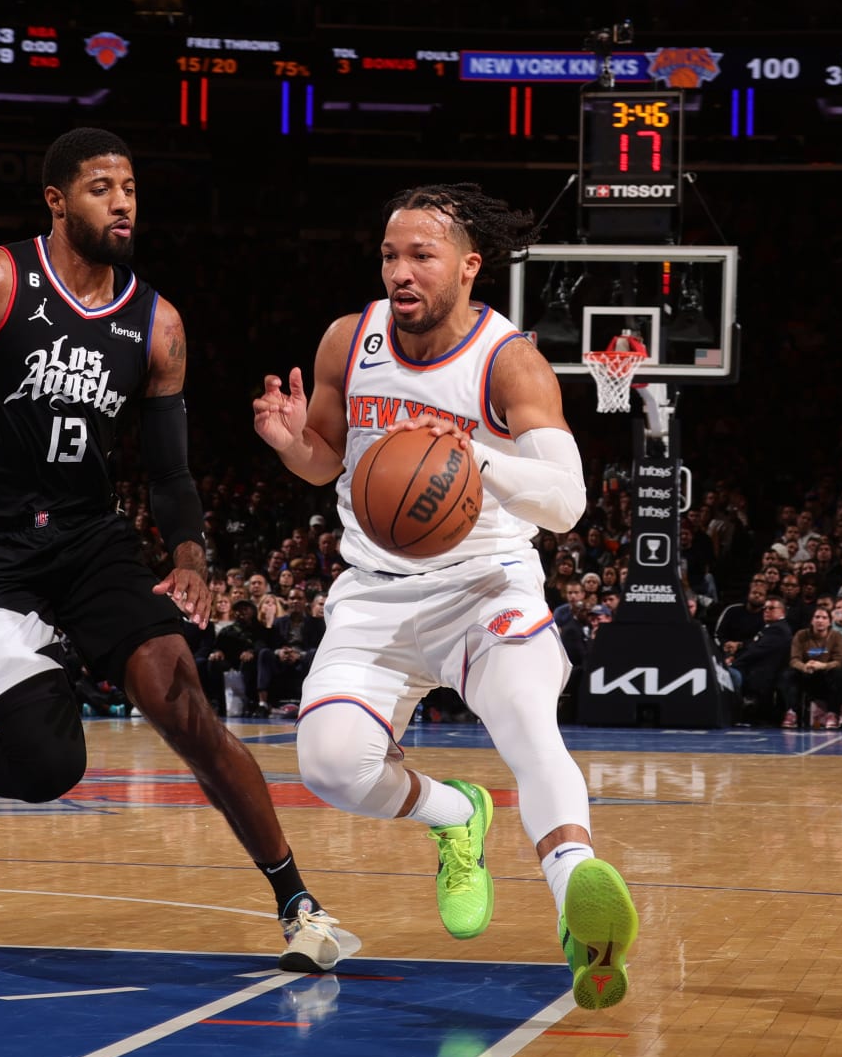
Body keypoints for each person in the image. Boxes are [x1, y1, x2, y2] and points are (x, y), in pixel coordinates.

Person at [0, 127, 352, 974]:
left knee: (183, 699)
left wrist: (191, 553)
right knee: (50, 764)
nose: (122, 201)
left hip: (88, 538)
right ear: (55, 200)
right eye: (100, 186)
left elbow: (168, 471)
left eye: (130, 185)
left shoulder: (159, 326)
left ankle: (297, 903)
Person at [252, 181, 638, 1009]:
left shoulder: (510, 360)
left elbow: (567, 504)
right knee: (328, 766)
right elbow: (328, 460)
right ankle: (455, 816)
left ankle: (580, 907)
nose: (401, 270)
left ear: (469, 267)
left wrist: (471, 458)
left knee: (530, 728)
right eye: (390, 254)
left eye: (420, 254)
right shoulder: (345, 341)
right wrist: (294, 446)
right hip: (374, 592)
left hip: (484, 585)